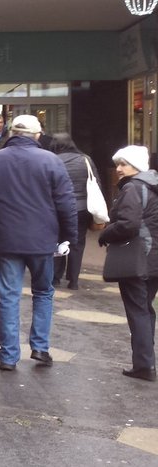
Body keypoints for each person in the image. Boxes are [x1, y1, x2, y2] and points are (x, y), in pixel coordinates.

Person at [0, 114, 76, 372]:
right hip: (43, 240)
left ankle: (8, 356)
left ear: (11, 133)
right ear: (37, 135)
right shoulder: (51, 161)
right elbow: (66, 204)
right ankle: (40, 347)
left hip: (5, 240)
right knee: (43, 292)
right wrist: (68, 237)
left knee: (8, 296)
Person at [98, 145, 158, 381]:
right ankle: (146, 362)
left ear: (137, 166)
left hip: (137, 259)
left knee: (138, 311)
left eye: (124, 164)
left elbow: (128, 224)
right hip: (153, 259)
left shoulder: (133, 187)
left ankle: (144, 365)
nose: (119, 169)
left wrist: (105, 234)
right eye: (118, 164)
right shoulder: (152, 186)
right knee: (146, 309)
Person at [48, 133, 98, 289]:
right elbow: (96, 182)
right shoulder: (86, 160)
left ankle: (55, 277)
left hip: (57, 208)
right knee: (78, 242)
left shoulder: (51, 160)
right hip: (81, 208)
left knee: (57, 240)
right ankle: (73, 280)